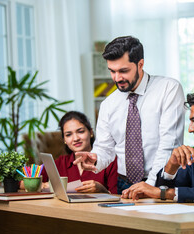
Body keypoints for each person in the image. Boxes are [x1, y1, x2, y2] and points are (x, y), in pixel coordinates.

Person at [74, 36, 185, 194]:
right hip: (124, 184)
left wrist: (151, 185)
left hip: (161, 182)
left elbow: (169, 144)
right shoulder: (108, 104)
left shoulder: (169, 89)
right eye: (112, 71)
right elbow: (105, 148)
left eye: (123, 71)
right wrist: (96, 158)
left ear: (140, 64)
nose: (117, 78)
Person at [41, 111, 118, 193]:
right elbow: (28, 180)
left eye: (80, 131)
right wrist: (43, 185)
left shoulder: (110, 161)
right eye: (68, 135)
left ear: (91, 132)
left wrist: (103, 190)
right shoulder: (59, 163)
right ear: (64, 140)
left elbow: (120, 198)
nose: (75, 138)